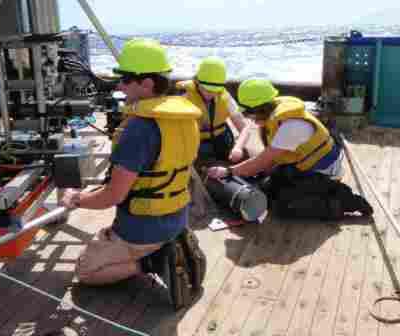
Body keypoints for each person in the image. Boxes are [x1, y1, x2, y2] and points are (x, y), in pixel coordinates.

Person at [61, 38, 206, 309]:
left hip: (142, 228)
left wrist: (76, 199)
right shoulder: (186, 120)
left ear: (148, 83)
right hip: (176, 216)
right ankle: (169, 244)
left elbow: (113, 196)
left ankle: (154, 260)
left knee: (85, 271)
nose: (119, 86)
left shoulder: (139, 129)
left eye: (126, 79)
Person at [207, 79, 372, 220]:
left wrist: (229, 172)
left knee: (283, 206)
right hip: (301, 165)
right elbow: (270, 160)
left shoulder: (290, 126)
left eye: (249, 113)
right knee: (267, 188)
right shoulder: (275, 115)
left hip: (323, 171)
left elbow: (262, 161)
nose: (250, 118)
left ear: (260, 108)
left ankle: (342, 201)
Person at [176, 57, 252, 163]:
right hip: (197, 144)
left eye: (215, 91)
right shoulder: (184, 97)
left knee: (245, 155)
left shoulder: (224, 96)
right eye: (206, 89)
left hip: (222, 139)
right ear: (197, 81)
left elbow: (244, 127)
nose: (211, 94)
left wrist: (238, 147)